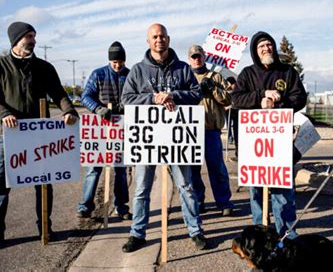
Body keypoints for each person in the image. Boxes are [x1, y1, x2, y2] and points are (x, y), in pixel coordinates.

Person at [0, 21, 79, 249]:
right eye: (29, 36)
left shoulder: (44, 68)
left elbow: (58, 92)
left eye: (34, 36)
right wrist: (4, 113)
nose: (34, 41)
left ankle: (44, 227)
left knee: (44, 184)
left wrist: (69, 110)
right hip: (12, 135)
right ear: (16, 40)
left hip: (40, 136)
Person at [121, 23, 206, 252]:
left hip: (177, 140)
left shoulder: (183, 69)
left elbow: (197, 94)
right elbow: (126, 100)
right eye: (155, 37)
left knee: (186, 186)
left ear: (168, 39)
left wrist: (173, 95)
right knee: (141, 189)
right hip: (147, 141)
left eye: (163, 36)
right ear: (148, 41)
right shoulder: (138, 70)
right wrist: (153, 98)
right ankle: (137, 233)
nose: (159, 40)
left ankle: (195, 230)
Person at [231, 31, 306, 238]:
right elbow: (237, 98)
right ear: (255, 51)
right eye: (261, 46)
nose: (266, 49)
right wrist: (260, 97)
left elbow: (300, 98)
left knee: (283, 191)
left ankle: (286, 234)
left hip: (280, 142)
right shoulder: (247, 74)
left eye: (269, 45)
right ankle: (261, 232)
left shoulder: (287, 72)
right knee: (256, 191)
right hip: (254, 143)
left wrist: (278, 103)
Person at [76, 41, 132, 220]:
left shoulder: (130, 75)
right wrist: (98, 109)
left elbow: (137, 96)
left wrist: (128, 104)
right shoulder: (98, 74)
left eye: (120, 61)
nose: (118, 65)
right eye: (114, 61)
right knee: (94, 168)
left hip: (122, 127)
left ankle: (121, 207)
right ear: (109, 60)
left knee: (121, 170)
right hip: (100, 127)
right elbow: (86, 96)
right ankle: (85, 206)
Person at [187, 45, 234, 216]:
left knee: (217, 168)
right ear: (189, 59)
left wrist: (213, 88)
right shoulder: (186, 77)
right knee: (192, 171)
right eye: (193, 56)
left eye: (199, 56)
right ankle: (198, 201)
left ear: (204, 56)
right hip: (190, 131)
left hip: (211, 130)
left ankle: (224, 201)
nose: (196, 59)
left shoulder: (215, 76)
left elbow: (228, 98)